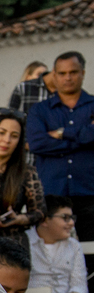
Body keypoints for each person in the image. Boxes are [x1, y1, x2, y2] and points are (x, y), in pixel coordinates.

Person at [26, 52, 94, 253]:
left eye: (73, 72)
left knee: (92, 250)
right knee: (51, 252)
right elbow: (37, 143)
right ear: (54, 76)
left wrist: (63, 133)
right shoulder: (40, 110)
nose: (68, 77)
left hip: (90, 192)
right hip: (52, 193)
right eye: (62, 73)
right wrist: (84, 139)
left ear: (82, 73)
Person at [0, 111, 45, 246]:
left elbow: (39, 212)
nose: (6, 140)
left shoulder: (27, 172)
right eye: (1, 133)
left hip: (12, 243)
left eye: (14, 136)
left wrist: (18, 219)